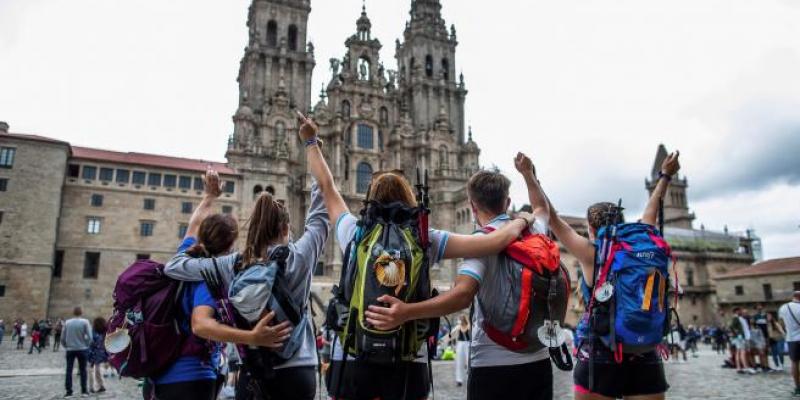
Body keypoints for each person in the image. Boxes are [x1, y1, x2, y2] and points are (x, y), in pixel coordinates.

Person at [298, 116, 534, 400]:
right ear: (409, 198)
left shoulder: (354, 231)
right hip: (410, 363)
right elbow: (492, 241)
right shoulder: (425, 239)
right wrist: (522, 220)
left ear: (370, 200)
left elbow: (327, 186)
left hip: (353, 359)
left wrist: (311, 142)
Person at [364, 153, 553, 400]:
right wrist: (528, 175)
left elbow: (463, 295)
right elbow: (541, 208)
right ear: (507, 202)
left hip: (493, 363)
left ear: (472, 206)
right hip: (539, 359)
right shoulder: (535, 229)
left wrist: (406, 312)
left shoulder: (480, 242)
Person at [164, 166, 322, 400]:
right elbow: (320, 213)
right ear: (286, 228)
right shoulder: (299, 258)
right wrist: (315, 156)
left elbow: (173, 266)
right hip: (298, 372)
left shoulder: (230, 265)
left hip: (253, 372)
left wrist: (208, 198)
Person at [543, 151, 681, 400]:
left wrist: (531, 178)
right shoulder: (645, 240)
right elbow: (653, 209)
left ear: (591, 228)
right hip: (645, 348)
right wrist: (665, 176)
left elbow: (551, 217)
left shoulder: (591, 252)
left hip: (601, 351)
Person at [62, 306, 93, 398]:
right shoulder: (85, 322)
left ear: (73, 313)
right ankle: (84, 391)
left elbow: (63, 337)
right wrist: (86, 345)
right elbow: (90, 337)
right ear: (81, 313)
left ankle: (69, 392)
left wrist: (66, 346)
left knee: (69, 370)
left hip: (70, 349)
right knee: (83, 370)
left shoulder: (67, 322)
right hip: (82, 349)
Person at [779, 291, 800, 395]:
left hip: (791, 339)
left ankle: (798, 388)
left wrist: (788, 331)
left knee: (794, 363)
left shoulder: (783, 308)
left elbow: (781, 323)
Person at [730, 307, 756, 375]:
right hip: (740, 338)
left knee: (739, 352)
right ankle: (746, 367)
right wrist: (738, 334)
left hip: (742, 337)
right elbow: (731, 326)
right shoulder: (736, 318)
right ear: (736, 311)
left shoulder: (740, 318)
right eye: (740, 311)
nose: (741, 312)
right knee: (742, 352)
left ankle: (739, 367)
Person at [88, 317, 109, 394]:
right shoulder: (105, 331)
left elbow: (91, 342)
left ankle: (92, 387)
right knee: (98, 369)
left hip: (93, 353)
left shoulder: (93, 331)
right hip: (101, 353)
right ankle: (101, 385)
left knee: (91, 370)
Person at [454, 315, 471, 387]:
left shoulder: (469, 326)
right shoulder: (458, 327)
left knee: (469, 361)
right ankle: (459, 380)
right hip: (460, 344)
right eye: (459, 319)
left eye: (461, 319)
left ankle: (470, 378)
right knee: (459, 362)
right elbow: (452, 335)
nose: (460, 320)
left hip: (468, 343)